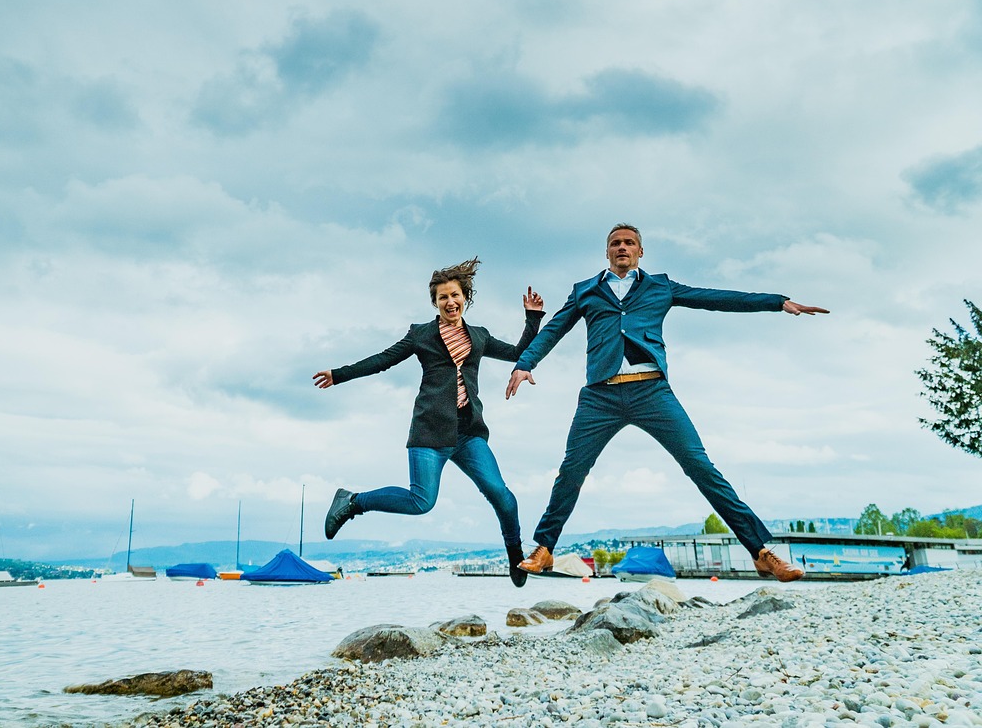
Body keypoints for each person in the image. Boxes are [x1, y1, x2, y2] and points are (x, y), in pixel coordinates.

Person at [505, 224, 829, 582]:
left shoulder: (660, 287)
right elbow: (553, 329)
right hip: (600, 395)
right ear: (607, 252)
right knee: (571, 470)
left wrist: (776, 302)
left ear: (640, 251)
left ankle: (762, 553)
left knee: (700, 467)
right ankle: (545, 548)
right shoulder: (585, 291)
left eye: (629, 243)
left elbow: (715, 298)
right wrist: (525, 363)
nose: (622, 247)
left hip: (652, 392)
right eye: (616, 243)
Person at [315, 258, 545, 587]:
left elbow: (518, 352)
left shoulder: (479, 336)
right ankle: (352, 502)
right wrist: (339, 375)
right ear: (435, 302)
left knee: (502, 495)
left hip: (468, 433)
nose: (450, 302)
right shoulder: (420, 335)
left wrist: (532, 318)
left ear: (465, 297)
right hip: (430, 432)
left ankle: (515, 556)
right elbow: (382, 360)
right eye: (442, 297)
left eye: (455, 295)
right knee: (421, 502)